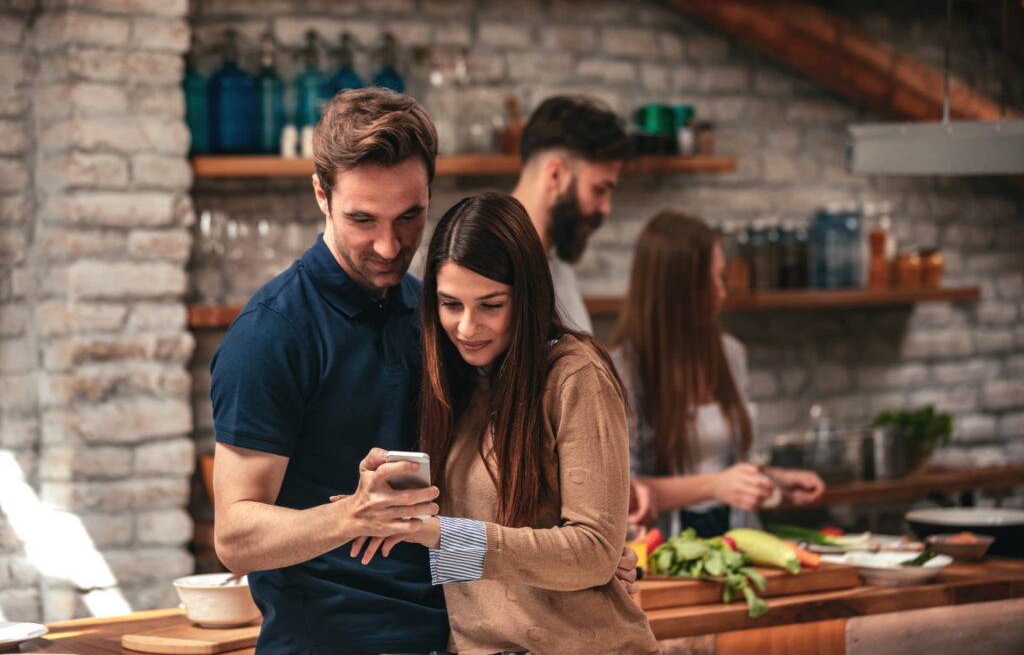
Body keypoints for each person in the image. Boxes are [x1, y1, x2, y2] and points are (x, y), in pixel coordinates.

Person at [209, 88, 636, 654]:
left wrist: (590, 554)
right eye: (363, 219)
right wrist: (353, 518)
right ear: (321, 195)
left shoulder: (439, 315)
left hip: (455, 638)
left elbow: (486, 480)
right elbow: (235, 537)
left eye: (410, 216)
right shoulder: (272, 334)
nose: (389, 245)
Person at [358, 193, 660, 655]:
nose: (466, 327)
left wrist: (449, 537)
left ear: (528, 297)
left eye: (491, 305)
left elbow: (593, 551)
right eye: (450, 304)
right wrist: (386, 497)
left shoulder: (574, 375)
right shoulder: (456, 384)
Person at [610, 211, 825, 539]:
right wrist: (715, 486)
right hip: (663, 550)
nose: (720, 293)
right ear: (673, 291)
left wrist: (773, 478)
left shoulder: (731, 354)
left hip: (738, 540)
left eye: (721, 278)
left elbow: (726, 464)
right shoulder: (624, 370)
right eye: (706, 284)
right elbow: (622, 492)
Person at [510, 95, 631, 335]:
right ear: (556, 175)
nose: (606, 208)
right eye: (599, 189)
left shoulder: (557, 267)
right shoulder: (486, 270)